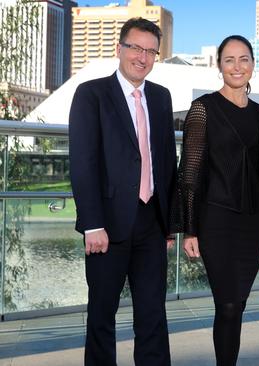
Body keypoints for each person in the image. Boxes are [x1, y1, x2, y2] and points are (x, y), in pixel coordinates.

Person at [69, 17, 177, 366]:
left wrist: (170, 223)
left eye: (150, 51)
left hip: (151, 222)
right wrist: (91, 223)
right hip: (107, 225)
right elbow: (83, 162)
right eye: (135, 48)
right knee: (102, 315)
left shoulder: (161, 97)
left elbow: (165, 163)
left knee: (152, 316)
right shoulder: (92, 94)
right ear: (120, 49)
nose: (142, 57)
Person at [173, 35, 259, 366]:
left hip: (254, 223)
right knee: (227, 304)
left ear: (253, 65)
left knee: (239, 304)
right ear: (219, 66)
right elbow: (189, 172)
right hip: (216, 220)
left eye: (244, 59)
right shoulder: (204, 109)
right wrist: (190, 229)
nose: (237, 66)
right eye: (229, 59)